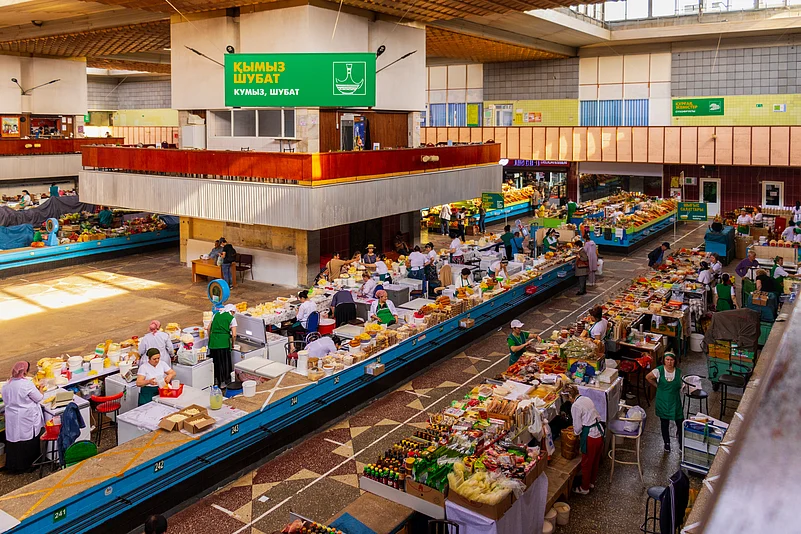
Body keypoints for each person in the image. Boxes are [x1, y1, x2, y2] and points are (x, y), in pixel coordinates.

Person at [2, 362, 45, 473]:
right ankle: (29, 465)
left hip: (12, 417)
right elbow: (39, 397)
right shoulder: (26, 384)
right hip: (26, 417)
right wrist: (41, 388)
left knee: (14, 442)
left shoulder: (7, 385)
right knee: (28, 441)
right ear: (25, 371)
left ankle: (13, 466)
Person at [566, 385, 604, 495]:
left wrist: (574, 434)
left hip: (590, 437)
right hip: (599, 432)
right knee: (595, 461)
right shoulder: (586, 398)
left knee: (586, 463)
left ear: (569, 396)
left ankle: (584, 488)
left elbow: (577, 429)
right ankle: (591, 482)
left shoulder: (575, 406)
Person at [646, 352, 683, 453]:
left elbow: (683, 385)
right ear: (664, 361)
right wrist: (658, 386)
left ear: (675, 361)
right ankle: (666, 443)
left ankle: (681, 443)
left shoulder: (679, 372)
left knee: (680, 423)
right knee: (664, 423)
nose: (669, 362)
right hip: (662, 401)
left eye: (672, 360)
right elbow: (648, 377)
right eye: (667, 360)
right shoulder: (659, 370)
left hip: (675, 402)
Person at [207, 304, 237, 386]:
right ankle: (225, 382)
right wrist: (233, 343)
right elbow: (234, 335)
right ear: (232, 311)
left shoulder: (215, 315)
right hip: (224, 343)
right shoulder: (232, 318)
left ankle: (216, 380)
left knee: (216, 362)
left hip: (213, 342)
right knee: (224, 363)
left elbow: (209, 328)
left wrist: (210, 339)